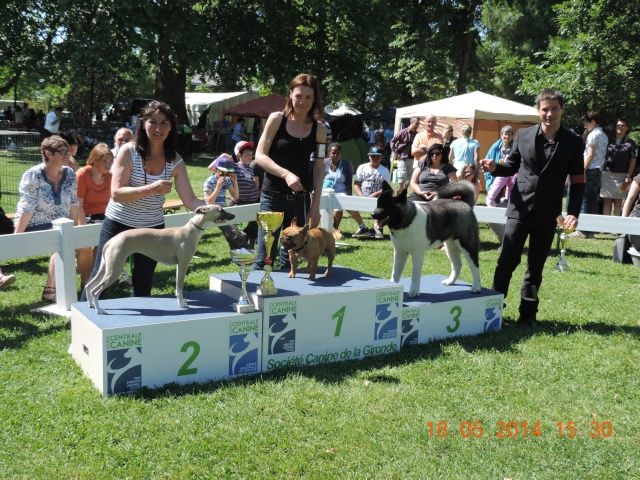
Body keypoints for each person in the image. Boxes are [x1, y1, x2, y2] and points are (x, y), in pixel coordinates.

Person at [481, 89, 585, 328]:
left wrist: (573, 213)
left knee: (535, 265)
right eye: (545, 109)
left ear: (562, 110)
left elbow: (578, 181)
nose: (549, 114)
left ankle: (528, 314)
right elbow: (511, 165)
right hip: (518, 207)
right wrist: (494, 167)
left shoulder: (572, 141)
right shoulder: (523, 135)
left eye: (554, 109)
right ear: (538, 110)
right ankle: (493, 309)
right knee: (507, 260)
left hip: (548, 213)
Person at [84, 101, 204, 299]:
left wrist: (212, 208)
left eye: (164, 123)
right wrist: (151, 189)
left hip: (152, 228)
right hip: (119, 224)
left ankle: (137, 328)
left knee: (143, 286)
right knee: (102, 280)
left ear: (172, 126)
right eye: (153, 122)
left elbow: (191, 201)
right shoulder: (128, 151)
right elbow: (117, 194)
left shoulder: (175, 160)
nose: (158, 128)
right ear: (143, 123)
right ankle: (84, 321)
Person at [254, 73, 328, 270]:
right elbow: (259, 156)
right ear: (290, 95)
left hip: (300, 200)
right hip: (272, 196)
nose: (302, 102)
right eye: (298, 96)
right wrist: (285, 174)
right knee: (264, 256)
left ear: (315, 100)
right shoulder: (276, 119)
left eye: (308, 97)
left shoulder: (320, 129)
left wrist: (316, 205)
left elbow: (319, 168)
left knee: (293, 259)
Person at [14, 136, 92, 302]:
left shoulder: (70, 173)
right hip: (35, 224)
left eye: (68, 151)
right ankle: (51, 290)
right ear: (47, 153)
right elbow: (26, 208)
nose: (67, 155)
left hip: (62, 225)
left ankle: (87, 289)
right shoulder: (33, 175)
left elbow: (73, 204)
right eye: (62, 152)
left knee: (84, 244)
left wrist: (73, 226)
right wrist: (16, 239)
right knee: (63, 242)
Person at [571, 110, 608, 238]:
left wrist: (582, 171)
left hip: (590, 170)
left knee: (585, 199)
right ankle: (590, 231)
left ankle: (582, 231)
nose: (584, 125)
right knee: (593, 200)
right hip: (598, 171)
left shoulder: (593, 135)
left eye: (586, 122)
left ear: (593, 121)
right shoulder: (603, 135)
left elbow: (590, 155)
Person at [322, 142, 369, 236]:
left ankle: (334, 229)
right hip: (326, 191)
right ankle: (332, 230)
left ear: (341, 153)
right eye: (333, 153)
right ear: (328, 153)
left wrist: (348, 198)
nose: (335, 155)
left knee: (342, 206)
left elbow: (348, 182)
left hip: (341, 192)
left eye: (338, 153)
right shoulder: (324, 162)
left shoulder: (347, 164)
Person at [204, 154, 247, 249]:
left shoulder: (227, 180)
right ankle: (241, 248)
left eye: (227, 173)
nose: (225, 176)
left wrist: (235, 181)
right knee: (231, 231)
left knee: (233, 229)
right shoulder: (209, 181)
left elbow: (236, 197)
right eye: (222, 173)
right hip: (213, 212)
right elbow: (209, 202)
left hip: (223, 211)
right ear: (215, 170)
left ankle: (240, 246)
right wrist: (218, 187)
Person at [601, 118, 637, 216]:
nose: (620, 127)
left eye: (623, 125)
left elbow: (633, 161)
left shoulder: (631, 143)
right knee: (607, 200)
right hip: (607, 174)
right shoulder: (609, 141)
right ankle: (605, 226)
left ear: (627, 128)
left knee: (618, 201)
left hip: (622, 175)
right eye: (618, 125)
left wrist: (628, 176)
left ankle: (616, 227)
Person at [354, 146, 391, 239]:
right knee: (349, 204)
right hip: (363, 195)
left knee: (384, 205)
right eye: (373, 156)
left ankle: (377, 228)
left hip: (378, 197)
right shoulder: (362, 167)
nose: (375, 158)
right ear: (369, 156)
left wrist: (375, 195)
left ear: (381, 157)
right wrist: (361, 196)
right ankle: (362, 227)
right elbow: (356, 184)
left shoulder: (385, 170)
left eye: (378, 156)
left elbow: (386, 188)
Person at [232, 141, 261, 247]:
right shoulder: (235, 167)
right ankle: (238, 240)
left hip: (253, 201)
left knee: (255, 223)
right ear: (239, 155)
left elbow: (253, 184)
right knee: (231, 224)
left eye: (251, 154)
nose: (250, 157)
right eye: (247, 154)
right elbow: (217, 164)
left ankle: (251, 242)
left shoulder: (250, 168)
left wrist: (258, 192)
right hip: (239, 202)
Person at [76, 143, 113, 222]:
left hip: (107, 217)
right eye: (105, 161)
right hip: (88, 218)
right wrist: (83, 228)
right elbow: (78, 206)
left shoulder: (110, 176)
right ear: (95, 160)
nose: (108, 165)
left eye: (111, 161)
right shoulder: (82, 175)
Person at [390, 117, 420, 192]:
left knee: (411, 177)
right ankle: (399, 191)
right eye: (416, 123)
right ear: (411, 123)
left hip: (413, 158)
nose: (418, 125)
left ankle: (404, 190)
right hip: (402, 157)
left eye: (418, 124)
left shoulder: (417, 134)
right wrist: (396, 153)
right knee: (402, 175)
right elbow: (392, 141)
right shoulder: (403, 132)